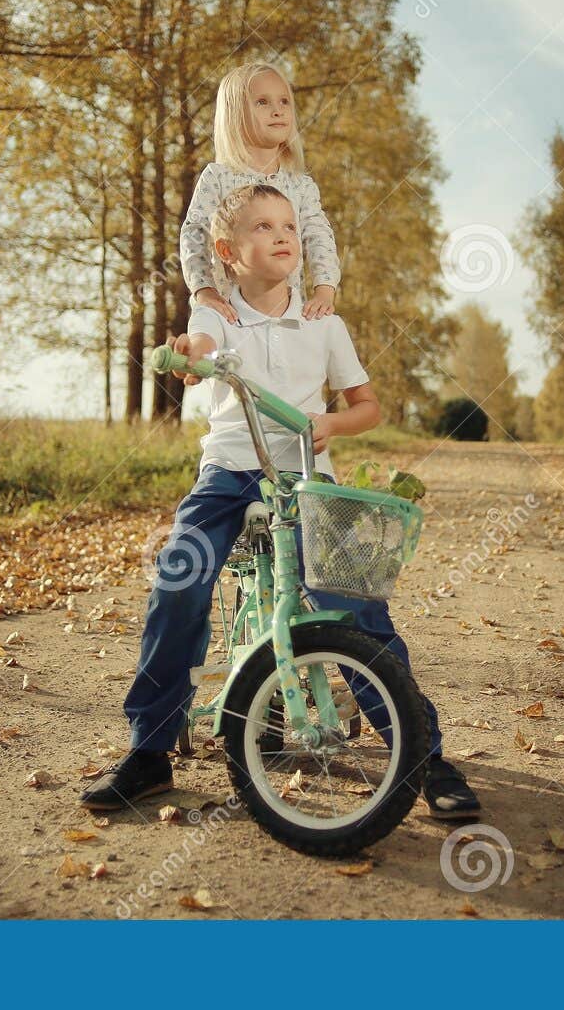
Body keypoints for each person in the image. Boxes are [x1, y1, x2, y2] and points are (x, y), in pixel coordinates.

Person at [82, 183, 480, 820]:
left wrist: (329, 424)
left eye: (289, 225)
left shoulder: (324, 322)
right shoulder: (217, 314)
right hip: (231, 472)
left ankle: (423, 753)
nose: (282, 235)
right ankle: (149, 751)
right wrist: (189, 353)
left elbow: (367, 407)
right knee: (179, 578)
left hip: (306, 475)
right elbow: (198, 354)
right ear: (227, 251)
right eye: (263, 226)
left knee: (353, 602)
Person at [179, 61, 340, 324]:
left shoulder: (300, 186)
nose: (277, 110)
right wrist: (204, 291)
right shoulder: (217, 178)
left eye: (284, 101)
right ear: (234, 115)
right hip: (229, 317)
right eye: (262, 102)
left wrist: (324, 289)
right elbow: (194, 233)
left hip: (286, 317)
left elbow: (318, 235)